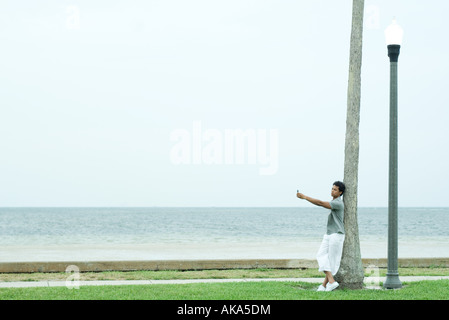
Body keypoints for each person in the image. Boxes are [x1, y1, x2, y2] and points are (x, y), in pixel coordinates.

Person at [296, 181, 346, 292]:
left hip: (337, 235)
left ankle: (325, 285)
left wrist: (304, 197)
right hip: (329, 234)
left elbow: (320, 203)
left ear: (340, 192)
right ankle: (330, 283)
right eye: (332, 188)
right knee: (321, 256)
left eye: (335, 189)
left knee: (331, 262)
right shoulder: (334, 202)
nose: (332, 191)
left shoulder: (338, 203)